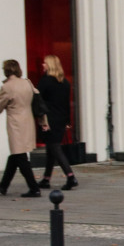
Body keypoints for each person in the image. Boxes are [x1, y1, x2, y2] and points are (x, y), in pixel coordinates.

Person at [0, 59, 46, 198]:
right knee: (16, 155)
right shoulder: (27, 82)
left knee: (20, 156)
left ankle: (34, 188)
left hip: (16, 124)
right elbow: (38, 101)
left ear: (6, 70)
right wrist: (43, 121)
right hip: (28, 123)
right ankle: (4, 185)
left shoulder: (7, 87)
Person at [36, 55, 77, 190]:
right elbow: (66, 104)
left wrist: (38, 116)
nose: (43, 65)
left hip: (49, 119)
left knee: (55, 148)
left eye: (45, 63)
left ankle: (70, 176)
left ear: (50, 65)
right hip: (60, 119)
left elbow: (38, 99)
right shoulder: (65, 82)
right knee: (51, 149)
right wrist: (67, 121)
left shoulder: (45, 81)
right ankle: (46, 179)